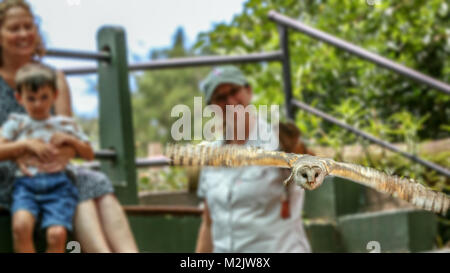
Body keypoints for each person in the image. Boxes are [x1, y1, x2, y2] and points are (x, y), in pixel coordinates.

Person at [0, 0, 137, 252]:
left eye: (28, 27)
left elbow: (65, 135)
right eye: (14, 29)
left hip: (50, 166)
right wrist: (22, 150)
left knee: (91, 181)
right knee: (78, 188)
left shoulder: (54, 78)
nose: (23, 34)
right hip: (11, 172)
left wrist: (59, 157)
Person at [195, 65, 311, 253]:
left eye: (234, 91)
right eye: (220, 98)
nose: (230, 101)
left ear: (248, 91)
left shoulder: (279, 142)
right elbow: (208, 224)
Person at [0, 63, 94, 252]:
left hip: (59, 185)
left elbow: (89, 154)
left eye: (44, 97)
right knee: (21, 227)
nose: (38, 104)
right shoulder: (17, 123)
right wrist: (25, 144)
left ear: (55, 96)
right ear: (19, 98)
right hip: (26, 184)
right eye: (31, 98)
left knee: (57, 235)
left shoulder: (65, 124)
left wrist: (71, 141)